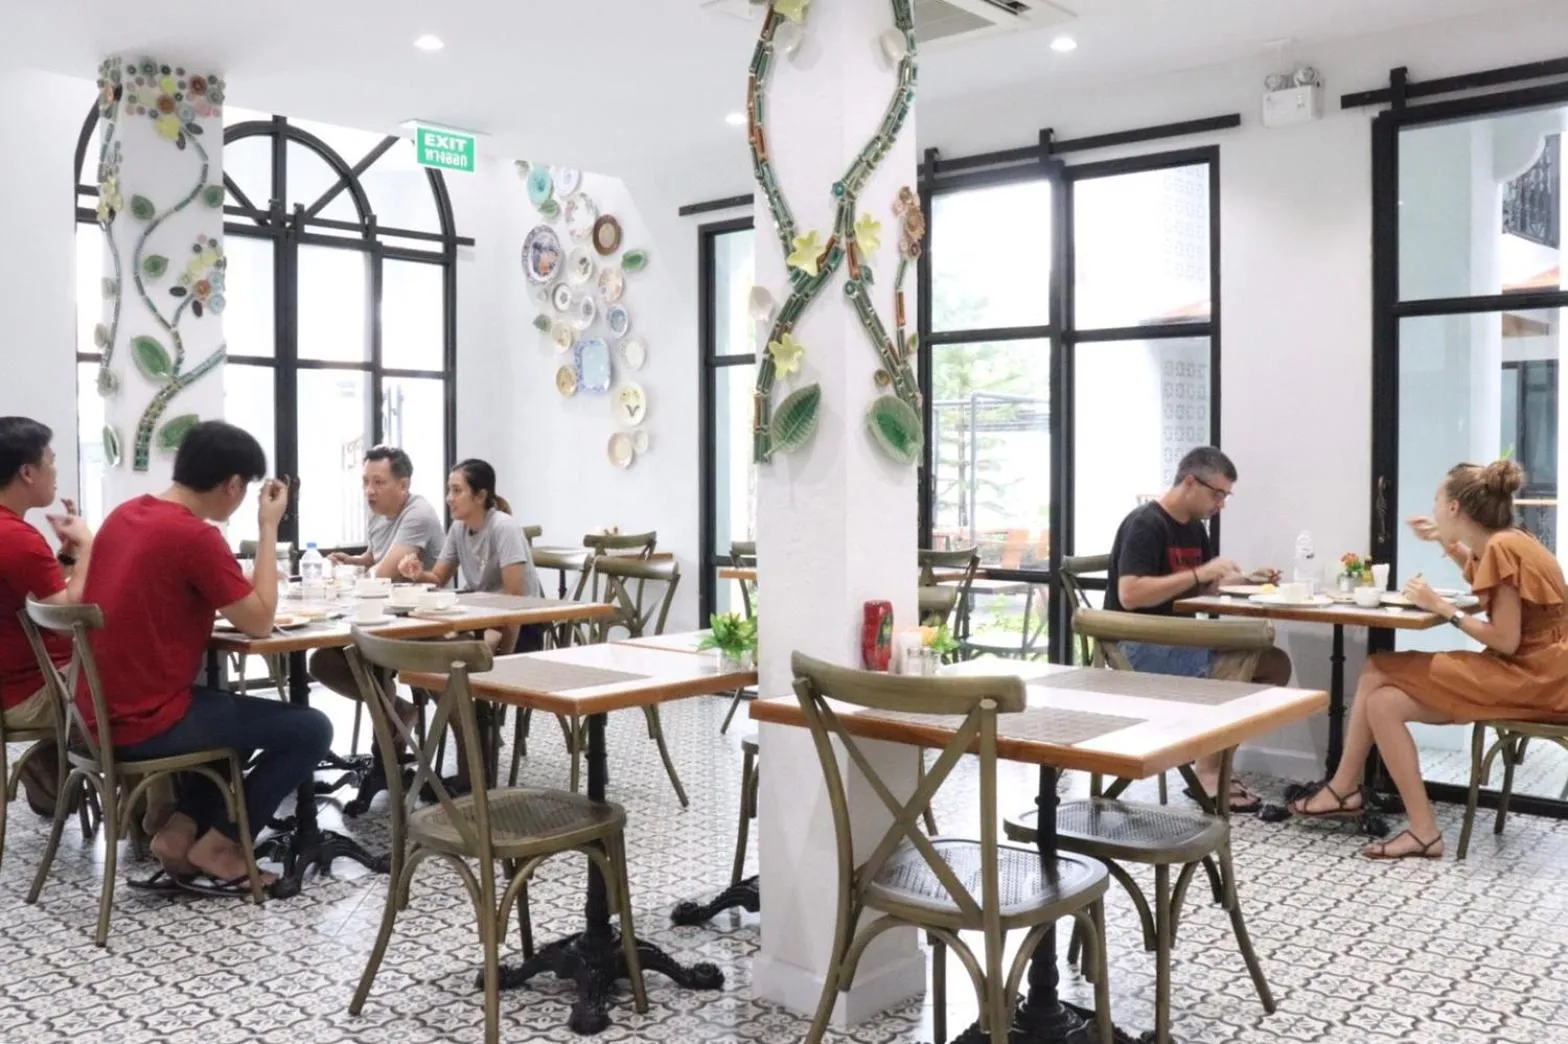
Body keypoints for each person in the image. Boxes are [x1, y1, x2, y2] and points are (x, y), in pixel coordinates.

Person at [84, 420, 333, 891]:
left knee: (226, 710)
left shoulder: (125, 514)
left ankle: (176, 836)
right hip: (144, 719)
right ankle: (223, 845)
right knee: (310, 728)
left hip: (97, 712)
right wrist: (267, 525)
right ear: (234, 485)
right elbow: (259, 621)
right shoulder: (194, 536)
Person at [1290, 459, 1568, 859]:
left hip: (1533, 676)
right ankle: (1422, 832)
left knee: (1377, 666)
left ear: (1455, 508)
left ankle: (1343, 787)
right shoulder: (1511, 541)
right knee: (1383, 703)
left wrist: (1440, 606)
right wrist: (1448, 544)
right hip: (1541, 671)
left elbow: (1506, 640)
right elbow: (1490, 582)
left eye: (1438, 499)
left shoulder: (1504, 547)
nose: (1434, 507)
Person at [1103, 446, 1292, 812]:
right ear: (1190, 482)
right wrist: (1198, 574)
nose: (1221, 503)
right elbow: (1130, 594)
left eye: (1226, 496)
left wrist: (1244, 581)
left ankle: (1213, 764)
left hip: (1178, 640)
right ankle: (1208, 769)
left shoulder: (1193, 529)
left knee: (1273, 663)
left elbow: (1201, 587)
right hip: (1136, 645)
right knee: (1245, 666)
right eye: (1217, 493)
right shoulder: (1146, 524)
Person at [397, 459, 541, 791]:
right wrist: (419, 574)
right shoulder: (459, 529)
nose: (449, 497)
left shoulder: (503, 527)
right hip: (480, 623)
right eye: (449, 489)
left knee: (450, 663)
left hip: (519, 627)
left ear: (481, 495)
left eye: (457, 490)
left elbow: (516, 601)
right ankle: (472, 756)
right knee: (431, 657)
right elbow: (438, 577)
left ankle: (473, 773)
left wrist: (502, 654)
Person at [0, 417, 94, 816]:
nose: (55, 471)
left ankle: (50, 768)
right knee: (140, 695)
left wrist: (69, 555)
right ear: (27, 471)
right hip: (26, 692)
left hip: (14, 679)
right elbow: (69, 608)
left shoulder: (13, 532)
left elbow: (43, 597)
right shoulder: (15, 537)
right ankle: (155, 821)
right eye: (51, 461)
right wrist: (89, 544)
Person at [309, 446, 443, 722]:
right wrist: (354, 561)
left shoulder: (418, 513)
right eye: (365, 482)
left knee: (352, 657)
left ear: (403, 485)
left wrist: (348, 582)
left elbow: (383, 573)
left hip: (421, 622)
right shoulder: (377, 512)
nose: (369, 491)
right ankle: (397, 712)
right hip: (384, 617)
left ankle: (391, 728)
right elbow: (375, 556)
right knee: (322, 662)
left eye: (378, 482)